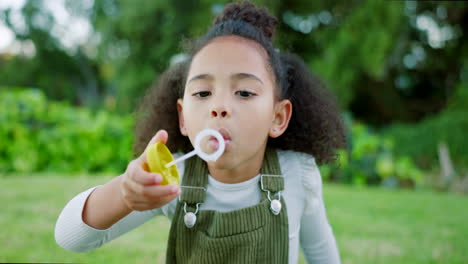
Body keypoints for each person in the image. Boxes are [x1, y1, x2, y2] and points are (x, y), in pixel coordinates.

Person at [55, 1, 347, 263]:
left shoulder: (298, 174)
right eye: (203, 92)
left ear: (278, 117)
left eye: (244, 92)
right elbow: (69, 237)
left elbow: (322, 252)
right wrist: (124, 194)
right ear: (183, 118)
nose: (219, 107)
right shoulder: (172, 182)